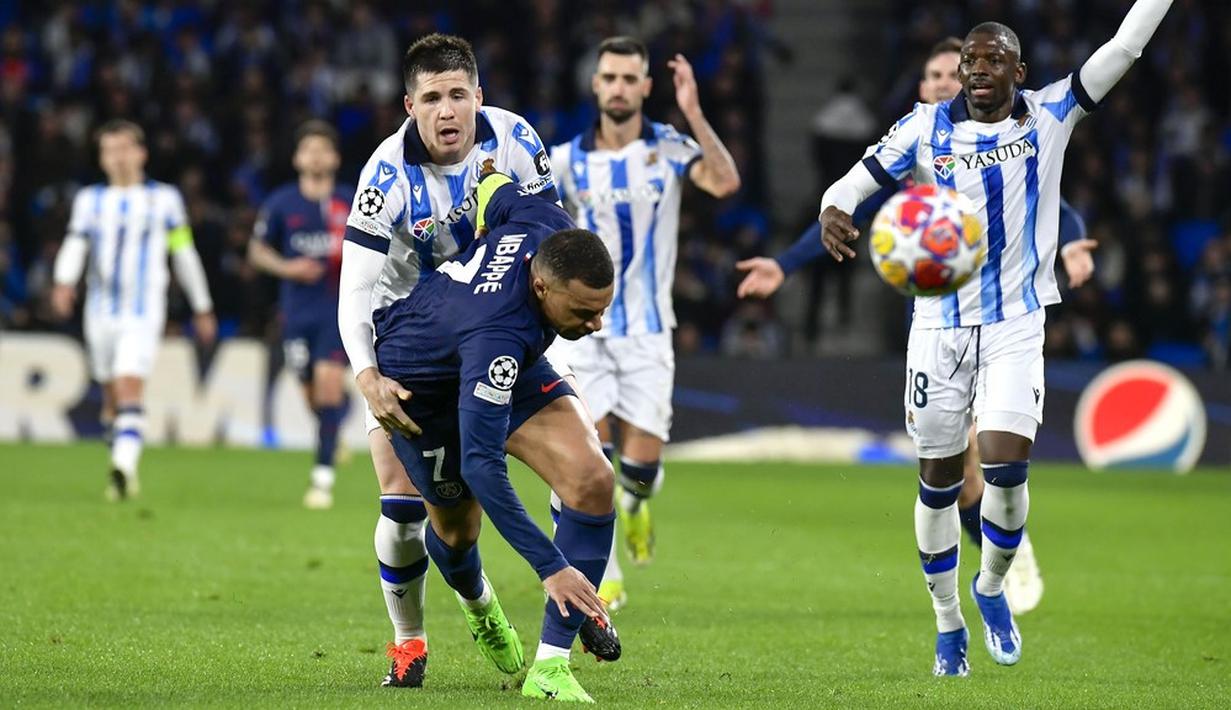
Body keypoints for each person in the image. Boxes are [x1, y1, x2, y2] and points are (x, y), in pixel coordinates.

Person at [815, 1, 1172, 676]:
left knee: (1006, 469)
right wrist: (833, 208)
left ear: (1017, 70)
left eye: (990, 60)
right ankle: (947, 620)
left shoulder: (1050, 113)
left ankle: (989, 588)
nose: (976, 72)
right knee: (938, 484)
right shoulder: (923, 127)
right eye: (967, 63)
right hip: (936, 330)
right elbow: (851, 182)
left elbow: (1124, 48)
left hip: (1014, 322)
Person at [737, 37, 1101, 616]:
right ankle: (987, 557)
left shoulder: (1012, 135)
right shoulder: (917, 157)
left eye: (945, 74)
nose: (938, 83)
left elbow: (1046, 194)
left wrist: (1075, 239)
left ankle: (1011, 554)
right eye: (933, 74)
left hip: (1006, 318)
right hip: (936, 324)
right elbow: (852, 205)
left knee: (992, 456)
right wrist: (785, 264)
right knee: (950, 468)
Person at [337, 33, 560, 688]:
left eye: (457, 94)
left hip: (500, 323)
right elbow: (354, 286)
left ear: (478, 97)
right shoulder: (383, 177)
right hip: (410, 342)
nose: (446, 110)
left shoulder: (516, 141)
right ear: (410, 105)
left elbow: (555, 232)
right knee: (404, 506)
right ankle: (415, 637)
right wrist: (367, 375)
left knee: (578, 461)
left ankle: (561, 633)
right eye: (431, 97)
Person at [375, 173, 619, 703]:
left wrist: (488, 191)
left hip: (504, 356)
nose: (596, 324)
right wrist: (551, 567)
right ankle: (478, 601)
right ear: (540, 286)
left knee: (594, 479)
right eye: (583, 313)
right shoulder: (498, 337)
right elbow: (484, 466)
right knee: (458, 533)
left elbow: (495, 186)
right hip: (423, 389)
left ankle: (550, 669)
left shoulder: (547, 221)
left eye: (602, 308)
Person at [547, 36, 741, 610]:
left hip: (651, 331)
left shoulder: (669, 147)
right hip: (583, 334)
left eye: (630, 79)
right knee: (591, 457)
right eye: (610, 78)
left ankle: (635, 505)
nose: (619, 88)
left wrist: (696, 113)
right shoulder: (564, 160)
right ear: (595, 84)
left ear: (646, 87)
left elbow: (724, 181)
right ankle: (605, 575)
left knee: (642, 470)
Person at [51, 119, 217, 501]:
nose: (118, 157)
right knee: (110, 397)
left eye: (125, 148)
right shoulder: (89, 201)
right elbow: (75, 244)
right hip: (99, 310)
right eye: (110, 150)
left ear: (141, 153)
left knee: (129, 385)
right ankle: (120, 461)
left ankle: (124, 466)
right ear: (102, 158)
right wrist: (63, 283)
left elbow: (184, 252)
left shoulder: (165, 200)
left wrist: (202, 305)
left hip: (143, 311)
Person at [248, 120, 352, 509]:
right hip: (296, 312)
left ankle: (321, 480)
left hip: (337, 311)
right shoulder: (281, 203)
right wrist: (289, 268)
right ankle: (334, 423)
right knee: (311, 391)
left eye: (323, 150)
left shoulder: (352, 200)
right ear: (297, 158)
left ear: (335, 158)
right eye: (309, 149)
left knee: (326, 385)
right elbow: (257, 252)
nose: (316, 156)